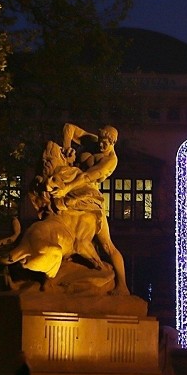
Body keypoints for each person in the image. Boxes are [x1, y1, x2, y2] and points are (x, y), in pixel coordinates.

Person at [49, 123, 130, 296]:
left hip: (87, 194)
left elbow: (86, 176)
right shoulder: (93, 141)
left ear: (113, 143)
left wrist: (66, 189)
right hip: (70, 184)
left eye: (105, 143)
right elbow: (68, 128)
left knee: (108, 246)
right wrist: (67, 148)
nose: (100, 145)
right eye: (100, 141)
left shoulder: (110, 161)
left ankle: (122, 285)